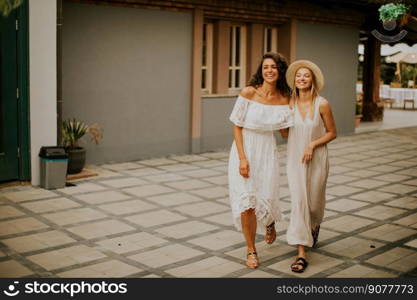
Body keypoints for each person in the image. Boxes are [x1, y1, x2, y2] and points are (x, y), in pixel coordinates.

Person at [228, 52, 294, 269]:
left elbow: (285, 133)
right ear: (261, 70)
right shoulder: (249, 92)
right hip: (245, 147)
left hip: (267, 149)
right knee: (247, 201)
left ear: (280, 71)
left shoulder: (285, 98)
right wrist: (242, 158)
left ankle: (270, 221)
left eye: (274, 67)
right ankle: (251, 250)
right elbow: (236, 125)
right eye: (266, 67)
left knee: (267, 195)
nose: (269, 71)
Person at [285, 60, 337, 273]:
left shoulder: (322, 103)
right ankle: (301, 253)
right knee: (300, 203)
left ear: (312, 80)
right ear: (294, 81)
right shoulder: (289, 104)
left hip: (317, 158)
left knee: (314, 205)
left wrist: (312, 144)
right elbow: (285, 133)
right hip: (295, 159)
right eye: (299, 76)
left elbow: (332, 132)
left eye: (306, 76)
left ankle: (314, 226)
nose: (302, 79)